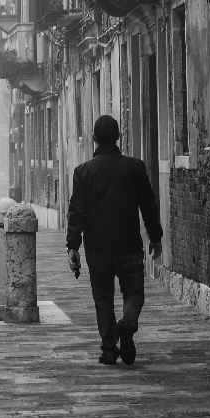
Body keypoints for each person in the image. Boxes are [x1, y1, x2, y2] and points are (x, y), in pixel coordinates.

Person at [66, 115, 163, 366]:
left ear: (95, 139)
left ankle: (109, 348)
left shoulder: (83, 172)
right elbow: (148, 206)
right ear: (118, 137)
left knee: (103, 298)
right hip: (129, 244)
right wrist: (156, 237)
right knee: (135, 293)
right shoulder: (134, 168)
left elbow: (77, 212)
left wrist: (72, 247)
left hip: (97, 249)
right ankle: (128, 324)